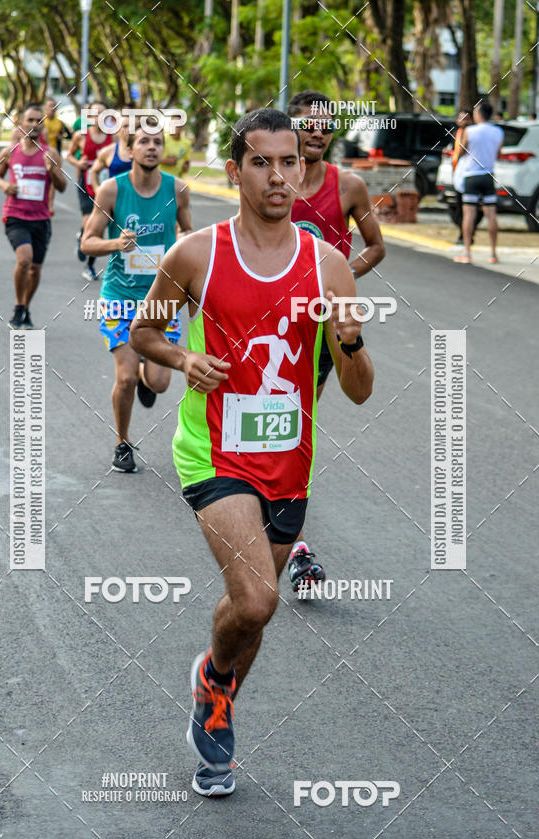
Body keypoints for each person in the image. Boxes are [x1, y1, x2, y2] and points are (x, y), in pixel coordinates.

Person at [129, 108, 374, 796]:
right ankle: (215, 683)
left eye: (288, 161)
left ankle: (217, 692)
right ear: (235, 171)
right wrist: (184, 358)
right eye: (261, 162)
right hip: (213, 452)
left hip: (290, 460)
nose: (277, 175)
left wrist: (350, 340)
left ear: (303, 167)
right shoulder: (195, 255)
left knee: (249, 609)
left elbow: (359, 390)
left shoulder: (328, 266)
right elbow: (144, 334)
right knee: (261, 597)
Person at [285, 89, 385, 590]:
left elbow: (375, 246)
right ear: (292, 127)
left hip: (322, 324)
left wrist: (341, 280)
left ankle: (294, 543)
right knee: (275, 423)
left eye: (327, 125)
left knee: (296, 424)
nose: (319, 132)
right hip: (271, 322)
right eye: (310, 123)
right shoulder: (273, 179)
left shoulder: (348, 185)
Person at [81, 121, 192, 472]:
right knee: (125, 377)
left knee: (158, 383)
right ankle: (122, 442)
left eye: (158, 142)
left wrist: (185, 246)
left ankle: (147, 372)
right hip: (120, 296)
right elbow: (87, 243)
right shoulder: (112, 191)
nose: (152, 147)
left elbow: (189, 232)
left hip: (161, 299)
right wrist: (116, 243)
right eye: (144, 141)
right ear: (129, 150)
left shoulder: (177, 189)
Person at [0, 103, 66, 328]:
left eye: (38, 121)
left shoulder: (51, 154)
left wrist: (52, 171)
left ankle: (25, 306)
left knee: (35, 268)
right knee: (24, 259)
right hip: (15, 215)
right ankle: (18, 306)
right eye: (30, 120)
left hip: (41, 219)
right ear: (21, 123)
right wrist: (4, 185)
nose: (35, 124)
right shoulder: (10, 152)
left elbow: (62, 186)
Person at [67, 101, 112, 281]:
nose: (98, 117)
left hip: (105, 187)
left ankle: (90, 265)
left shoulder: (113, 137)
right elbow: (69, 155)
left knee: (98, 227)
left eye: (102, 113)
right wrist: (79, 163)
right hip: (85, 185)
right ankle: (82, 237)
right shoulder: (81, 136)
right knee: (88, 222)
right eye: (94, 113)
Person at [454, 100, 503, 265]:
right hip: (488, 175)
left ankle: (467, 252)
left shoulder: (470, 131)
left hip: (471, 176)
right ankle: (493, 253)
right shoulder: (498, 131)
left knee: (469, 214)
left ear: (479, 114)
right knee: (491, 214)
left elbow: (460, 153)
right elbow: (498, 155)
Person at [451, 108, 482, 246]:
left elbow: (462, 151)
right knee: (459, 207)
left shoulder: (472, 134)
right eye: (460, 118)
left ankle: (466, 235)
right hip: (458, 173)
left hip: (469, 174)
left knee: (469, 208)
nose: (463, 121)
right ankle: (465, 233)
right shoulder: (457, 132)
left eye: (466, 119)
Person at [43, 97, 72, 213]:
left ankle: (49, 206)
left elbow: (69, 136)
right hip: (42, 154)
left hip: (56, 155)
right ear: (45, 107)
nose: (52, 108)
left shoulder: (60, 123)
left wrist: (61, 137)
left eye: (54, 106)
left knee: (53, 180)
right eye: (50, 105)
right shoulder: (40, 122)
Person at [90, 115, 132, 194]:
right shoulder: (108, 151)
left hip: (138, 198)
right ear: (117, 131)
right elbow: (93, 171)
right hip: (116, 198)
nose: (130, 129)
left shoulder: (144, 151)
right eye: (125, 126)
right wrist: (97, 190)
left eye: (134, 127)